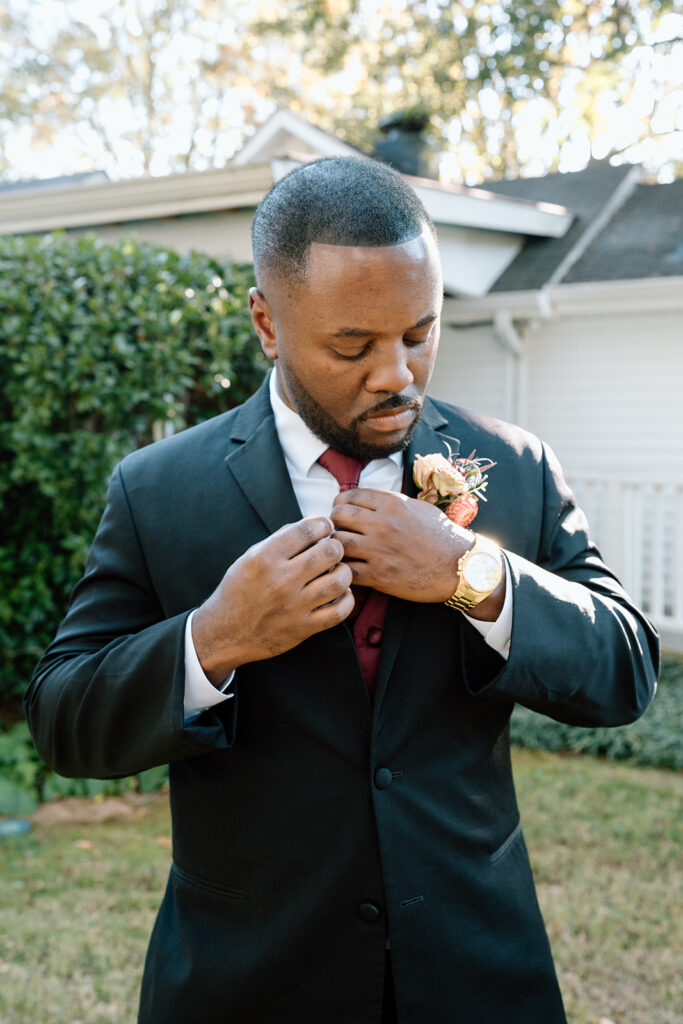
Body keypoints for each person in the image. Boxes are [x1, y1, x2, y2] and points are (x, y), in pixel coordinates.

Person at [26, 157, 659, 1024]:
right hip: (250, 983)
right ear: (267, 324)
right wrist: (213, 639)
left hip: (476, 979)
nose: (396, 373)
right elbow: (63, 720)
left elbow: (626, 670)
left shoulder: (514, 467)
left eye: (419, 332)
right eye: (352, 346)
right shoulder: (157, 489)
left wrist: (466, 574)